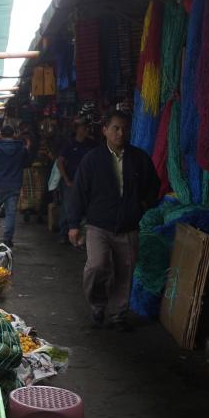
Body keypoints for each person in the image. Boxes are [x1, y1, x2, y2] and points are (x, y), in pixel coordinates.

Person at [67, 110, 159, 331]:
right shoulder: (92, 159)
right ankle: (97, 305)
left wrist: (142, 206)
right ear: (105, 130)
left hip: (128, 226)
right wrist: (73, 225)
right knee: (97, 266)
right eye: (116, 128)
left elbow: (153, 185)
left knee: (124, 272)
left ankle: (118, 315)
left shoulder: (139, 158)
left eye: (124, 128)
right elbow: (79, 192)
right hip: (99, 225)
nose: (120, 133)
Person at [0, 125, 34, 248]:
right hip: (14, 185)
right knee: (11, 213)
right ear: (14, 135)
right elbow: (27, 163)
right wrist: (27, 148)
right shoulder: (21, 148)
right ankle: (7, 239)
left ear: (1, 134)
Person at [56, 120, 96, 243]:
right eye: (84, 128)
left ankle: (81, 234)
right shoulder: (69, 144)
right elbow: (60, 162)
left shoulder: (92, 144)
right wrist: (67, 179)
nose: (86, 131)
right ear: (77, 129)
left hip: (87, 182)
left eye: (87, 128)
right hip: (71, 181)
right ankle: (64, 233)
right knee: (68, 206)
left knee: (85, 207)